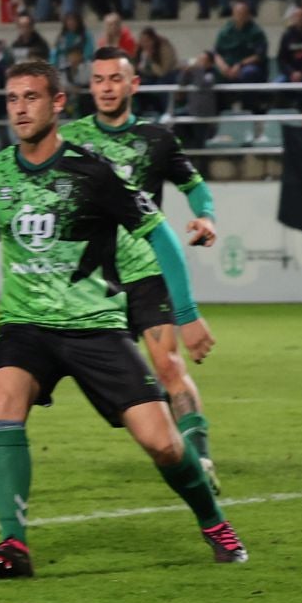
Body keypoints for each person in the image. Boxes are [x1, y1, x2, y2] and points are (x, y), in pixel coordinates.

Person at [0, 60, 246, 579]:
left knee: (161, 442)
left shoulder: (92, 170)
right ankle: (13, 544)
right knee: (4, 405)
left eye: (31, 97)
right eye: (12, 99)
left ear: (57, 104)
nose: (21, 109)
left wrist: (187, 314)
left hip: (94, 322)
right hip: (25, 326)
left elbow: (160, 234)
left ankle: (214, 521)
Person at [59, 47, 225, 492]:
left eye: (116, 79)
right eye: (98, 80)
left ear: (133, 84)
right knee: (119, 385)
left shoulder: (157, 139)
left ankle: (201, 460)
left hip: (147, 271)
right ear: (90, 85)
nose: (107, 87)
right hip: (92, 280)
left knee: (168, 365)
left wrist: (205, 215)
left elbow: (195, 186)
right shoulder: (69, 138)